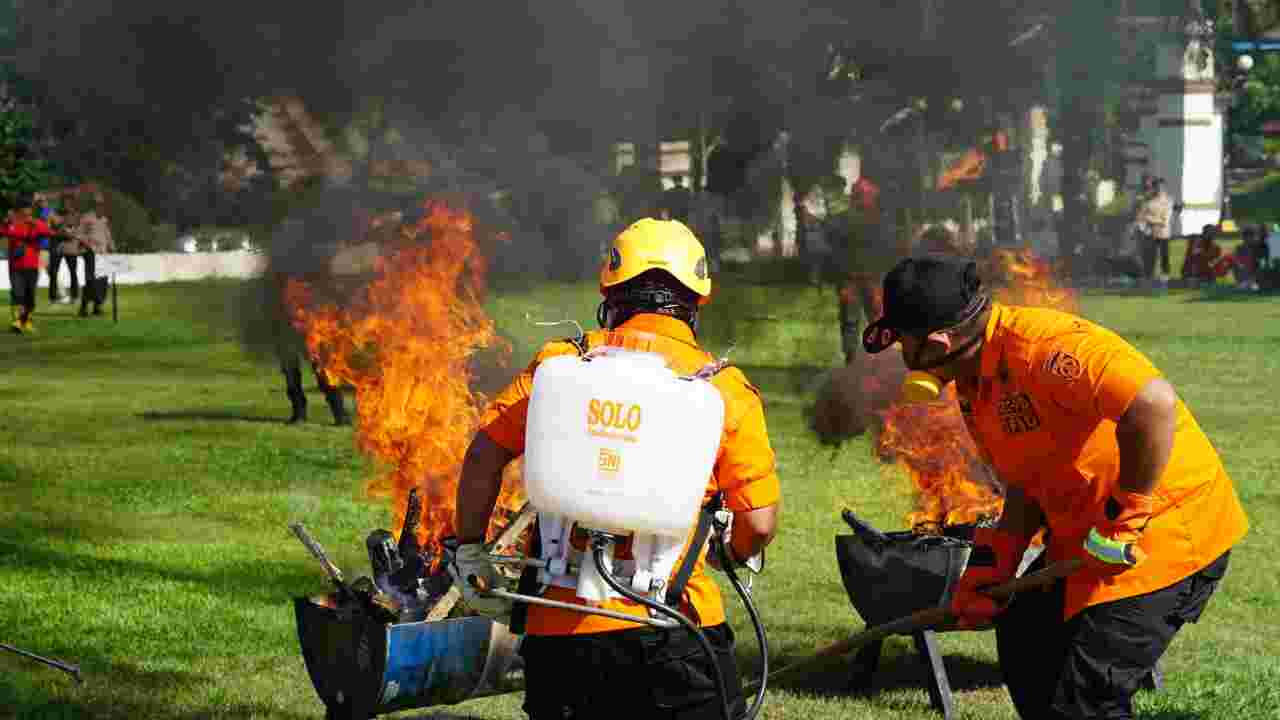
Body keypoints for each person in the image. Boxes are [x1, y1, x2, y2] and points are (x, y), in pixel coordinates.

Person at [861, 255, 1249, 720]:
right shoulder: (974, 380)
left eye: (904, 344)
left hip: (1161, 535)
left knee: (1086, 702)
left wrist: (1127, 518)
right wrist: (996, 561)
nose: (902, 359)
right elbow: (1028, 477)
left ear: (940, 341)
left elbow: (1153, 404)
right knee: (1026, 639)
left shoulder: (1045, 348)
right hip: (1088, 538)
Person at [451, 218, 781, 720]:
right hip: (675, 629)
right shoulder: (724, 391)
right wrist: (730, 552)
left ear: (610, 290)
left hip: (559, 635)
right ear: (697, 300)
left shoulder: (558, 365)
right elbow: (758, 523)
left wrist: (470, 549)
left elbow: (484, 454)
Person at [5, 195, 52, 333]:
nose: (27, 211)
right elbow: (4, 231)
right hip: (16, 266)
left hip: (32, 265)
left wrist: (41, 218)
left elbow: (47, 231)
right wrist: (8, 222)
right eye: (25, 208)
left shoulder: (36, 224)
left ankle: (26, 321)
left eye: (29, 208)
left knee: (30, 297)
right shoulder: (12, 224)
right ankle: (17, 322)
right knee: (17, 294)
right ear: (19, 210)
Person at [69, 197, 114, 317]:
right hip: (90, 253)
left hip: (102, 254)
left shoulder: (104, 220)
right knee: (91, 281)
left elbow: (107, 234)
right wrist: (86, 244)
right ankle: (83, 308)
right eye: (99, 205)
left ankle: (97, 307)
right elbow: (78, 234)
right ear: (94, 206)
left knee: (102, 281)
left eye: (103, 205)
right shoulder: (87, 218)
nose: (102, 208)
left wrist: (111, 246)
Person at [1135, 177, 1173, 281]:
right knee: (1150, 258)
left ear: (1164, 187)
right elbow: (1140, 216)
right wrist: (1145, 223)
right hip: (1150, 234)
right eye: (1157, 187)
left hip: (1163, 234)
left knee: (1164, 256)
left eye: (1161, 187)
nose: (1159, 189)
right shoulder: (1148, 200)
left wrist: (1148, 218)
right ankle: (1149, 277)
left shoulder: (1168, 201)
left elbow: (1164, 221)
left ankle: (1165, 276)